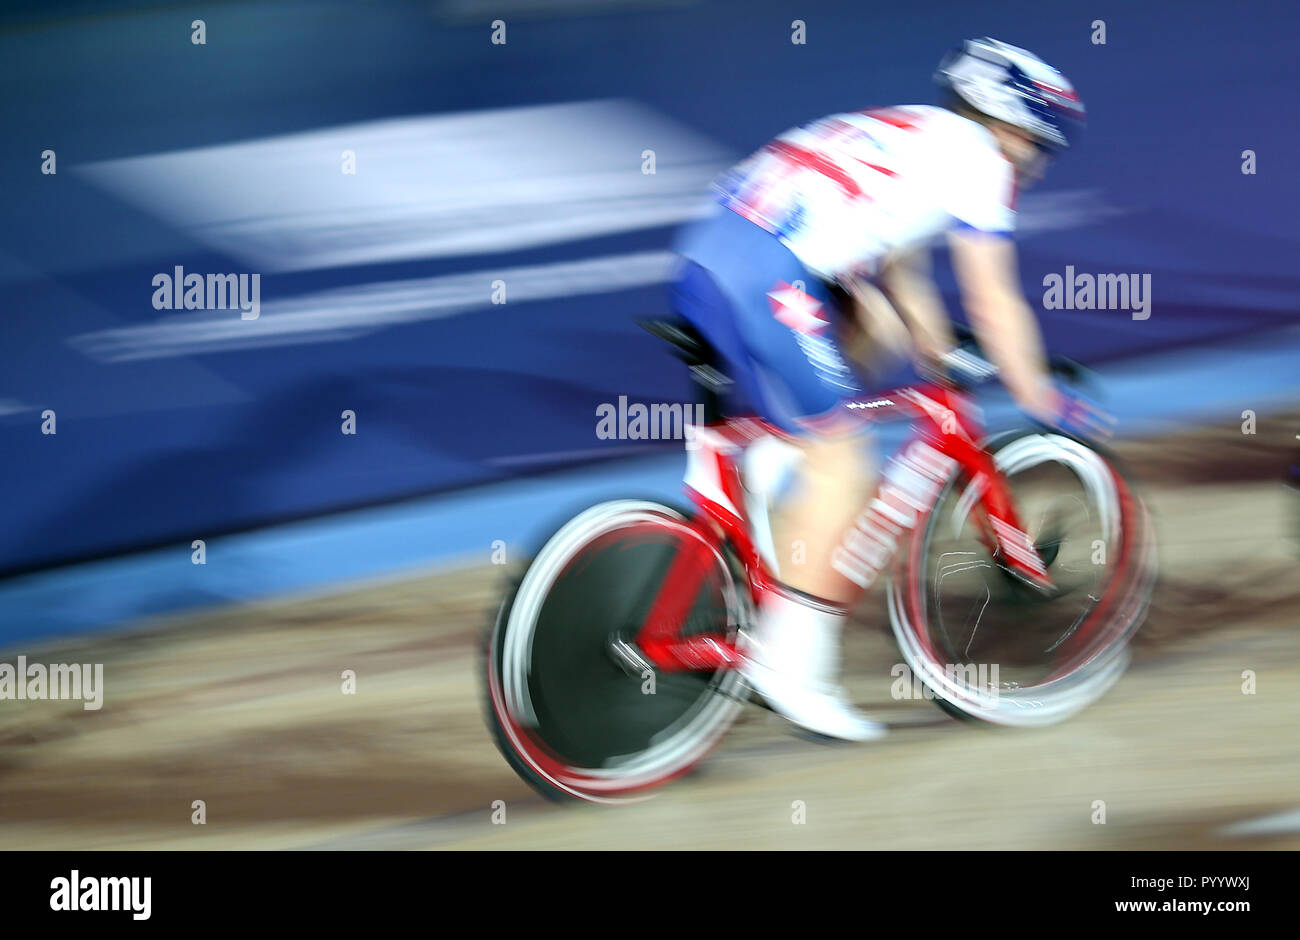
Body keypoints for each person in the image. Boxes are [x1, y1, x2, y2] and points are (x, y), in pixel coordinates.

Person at [667, 38, 1088, 740]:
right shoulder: (980, 163)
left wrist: (940, 354)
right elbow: (993, 301)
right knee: (848, 462)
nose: (1039, 164)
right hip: (767, 274)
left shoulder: (918, 134)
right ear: (1012, 129)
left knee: (882, 329)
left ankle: (779, 454)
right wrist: (1041, 396)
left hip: (710, 257)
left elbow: (901, 272)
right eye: (1040, 145)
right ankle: (791, 666)